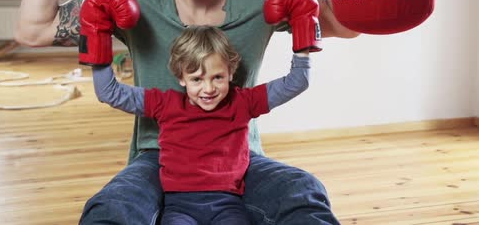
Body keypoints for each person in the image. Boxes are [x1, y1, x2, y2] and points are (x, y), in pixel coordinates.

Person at [15, 0, 359, 224]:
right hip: (157, 156)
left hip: (239, 155)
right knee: (112, 208)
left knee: (303, 191)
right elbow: (33, 31)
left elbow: (347, 25)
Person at [89, 18, 312, 224]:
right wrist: (97, 41)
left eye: (217, 77)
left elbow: (297, 82)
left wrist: (304, 38)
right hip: (179, 206)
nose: (208, 89)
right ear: (181, 78)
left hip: (228, 204)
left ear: (231, 72)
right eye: (196, 79)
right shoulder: (165, 103)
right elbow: (110, 92)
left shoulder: (243, 102)